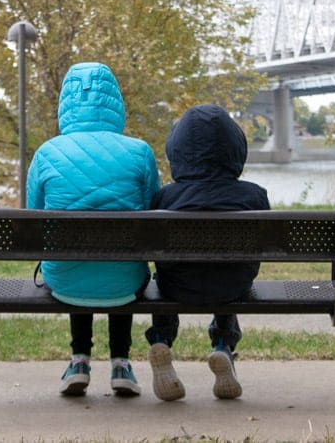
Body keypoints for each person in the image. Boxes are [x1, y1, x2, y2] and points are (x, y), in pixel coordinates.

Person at [27, 62, 160, 397]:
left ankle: (79, 361)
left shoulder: (47, 153)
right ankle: (121, 364)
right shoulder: (139, 152)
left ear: (65, 104)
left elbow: (32, 216)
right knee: (123, 262)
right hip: (125, 283)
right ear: (115, 102)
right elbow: (152, 213)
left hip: (64, 280)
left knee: (74, 261)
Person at [144, 103, 269, 401]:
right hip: (231, 285)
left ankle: (161, 339)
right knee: (227, 274)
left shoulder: (166, 196)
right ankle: (223, 346)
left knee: (165, 276)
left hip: (177, 286)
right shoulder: (253, 195)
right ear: (235, 149)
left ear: (178, 151)